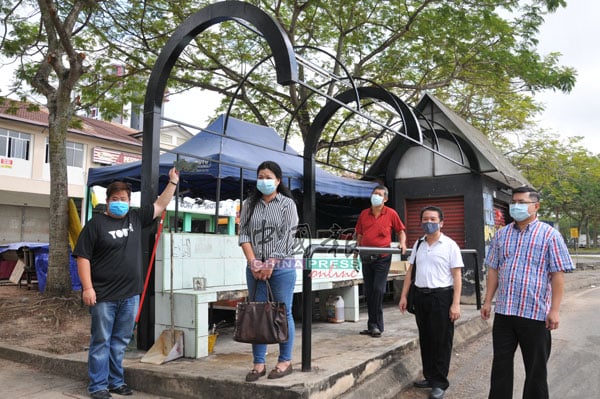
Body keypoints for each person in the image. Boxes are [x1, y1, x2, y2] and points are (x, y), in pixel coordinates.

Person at [74, 168, 179, 399]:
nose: (119, 203)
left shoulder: (135, 218)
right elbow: (83, 257)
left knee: (120, 342)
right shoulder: (95, 224)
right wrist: (88, 288)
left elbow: (160, 206)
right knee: (101, 341)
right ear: (107, 201)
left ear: (129, 201)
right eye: (115, 199)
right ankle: (97, 386)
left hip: (130, 295)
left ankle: (115, 381)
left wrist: (172, 182)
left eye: (123, 199)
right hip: (102, 296)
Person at [481, 186, 574, 399]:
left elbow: (558, 275)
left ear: (536, 206)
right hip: (505, 313)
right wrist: (488, 301)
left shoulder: (550, 236)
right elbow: (493, 270)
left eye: (522, 202)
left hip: (535, 314)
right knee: (500, 367)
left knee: (535, 370)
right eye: (514, 202)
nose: (516, 206)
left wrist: (555, 310)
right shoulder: (501, 234)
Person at [238, 160, 299, 382]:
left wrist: (271, 261)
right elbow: (243, 233)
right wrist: (253, 261)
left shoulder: (287, 205)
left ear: (278, 180)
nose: (264, 181)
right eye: (261, 177)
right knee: (257, 313)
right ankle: (259, 364)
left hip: (282, 267)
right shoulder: (249, 204)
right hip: (254, 267)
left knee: (283, 312)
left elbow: (288, 236)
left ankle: (285, 361)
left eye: (269, 177)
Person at [399, 205, 463, 399]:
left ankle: (440, 383)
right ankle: (429, 376)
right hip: (421, 297)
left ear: (441, 223)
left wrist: (456, 303)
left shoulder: (450, 245)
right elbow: (411, 271)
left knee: (441, 341)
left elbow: (457, 275)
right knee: (426, 338)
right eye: (425, 219)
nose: (429, 223)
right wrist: (404, 295)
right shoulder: (419, 244)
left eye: (433, 220)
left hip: (441, 298)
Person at [354, 185, 407, 337]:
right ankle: (373, 326)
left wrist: (402, 243)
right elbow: (359, 235)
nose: (375, 196)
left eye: (379, 194)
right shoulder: (364, 214)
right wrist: (355, 255)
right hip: (366, 256)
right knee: (369, 291)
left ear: (385, 199)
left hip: (383, 257)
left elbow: (401, 231)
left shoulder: (391, 213)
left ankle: (376, 324)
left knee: (378, 289)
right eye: (374, 193)